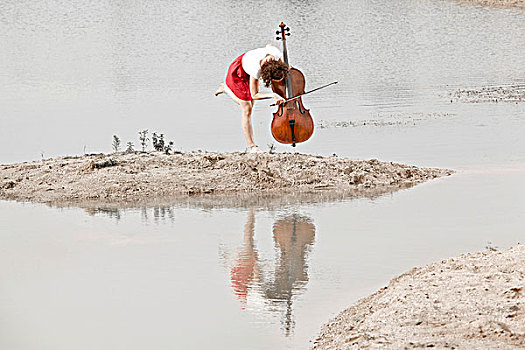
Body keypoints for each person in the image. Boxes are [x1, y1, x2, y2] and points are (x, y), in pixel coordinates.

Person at [215, 44, 288, 153]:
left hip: (248, 64)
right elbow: (255, 95)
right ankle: (252, 146)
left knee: (249, 104)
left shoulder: (276, 54)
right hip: (239, 72)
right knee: (247, 109)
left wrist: (286, 66)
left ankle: (226, 89)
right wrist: (273, 95)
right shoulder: (256, 69)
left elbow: (270, 45)